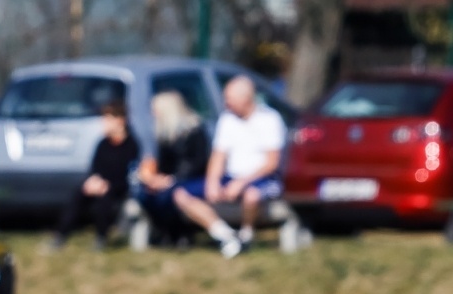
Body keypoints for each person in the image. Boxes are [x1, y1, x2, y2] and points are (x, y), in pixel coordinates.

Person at [173, 75, 286, 258]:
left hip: (262, 178)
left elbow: (272, 163)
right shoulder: (227, 120)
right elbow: (218, 156)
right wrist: (212, 181)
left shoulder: (270, 119)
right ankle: (224, 234)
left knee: (251, 195)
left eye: (229, 99)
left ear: (246, 99)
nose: (226, 104)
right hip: (232, 176)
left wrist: (241, 183)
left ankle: (246, 235)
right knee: (181, 194)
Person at [50, 102, 139, 251]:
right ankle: (60, 236)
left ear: (120, 121)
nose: (103, 123)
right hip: (99, 184)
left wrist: (107, 185)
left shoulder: (131, 146)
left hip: (118, 188)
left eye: (107, 119)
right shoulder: (103, 144)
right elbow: (95, 168)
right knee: (78, 194)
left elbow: (129, 175)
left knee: (104, 200)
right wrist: (93, 181)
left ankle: (101, 239)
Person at [135, 90, 211, 249]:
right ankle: (164, 232)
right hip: (171, 178)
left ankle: (181, 234)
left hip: (192, 179)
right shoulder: (165, 134)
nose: (153, 114)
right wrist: (156, 179)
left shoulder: (195, 130)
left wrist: (173, 179)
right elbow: (164, 164)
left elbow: (198, 163)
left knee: (167, 196)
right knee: (144, 194)